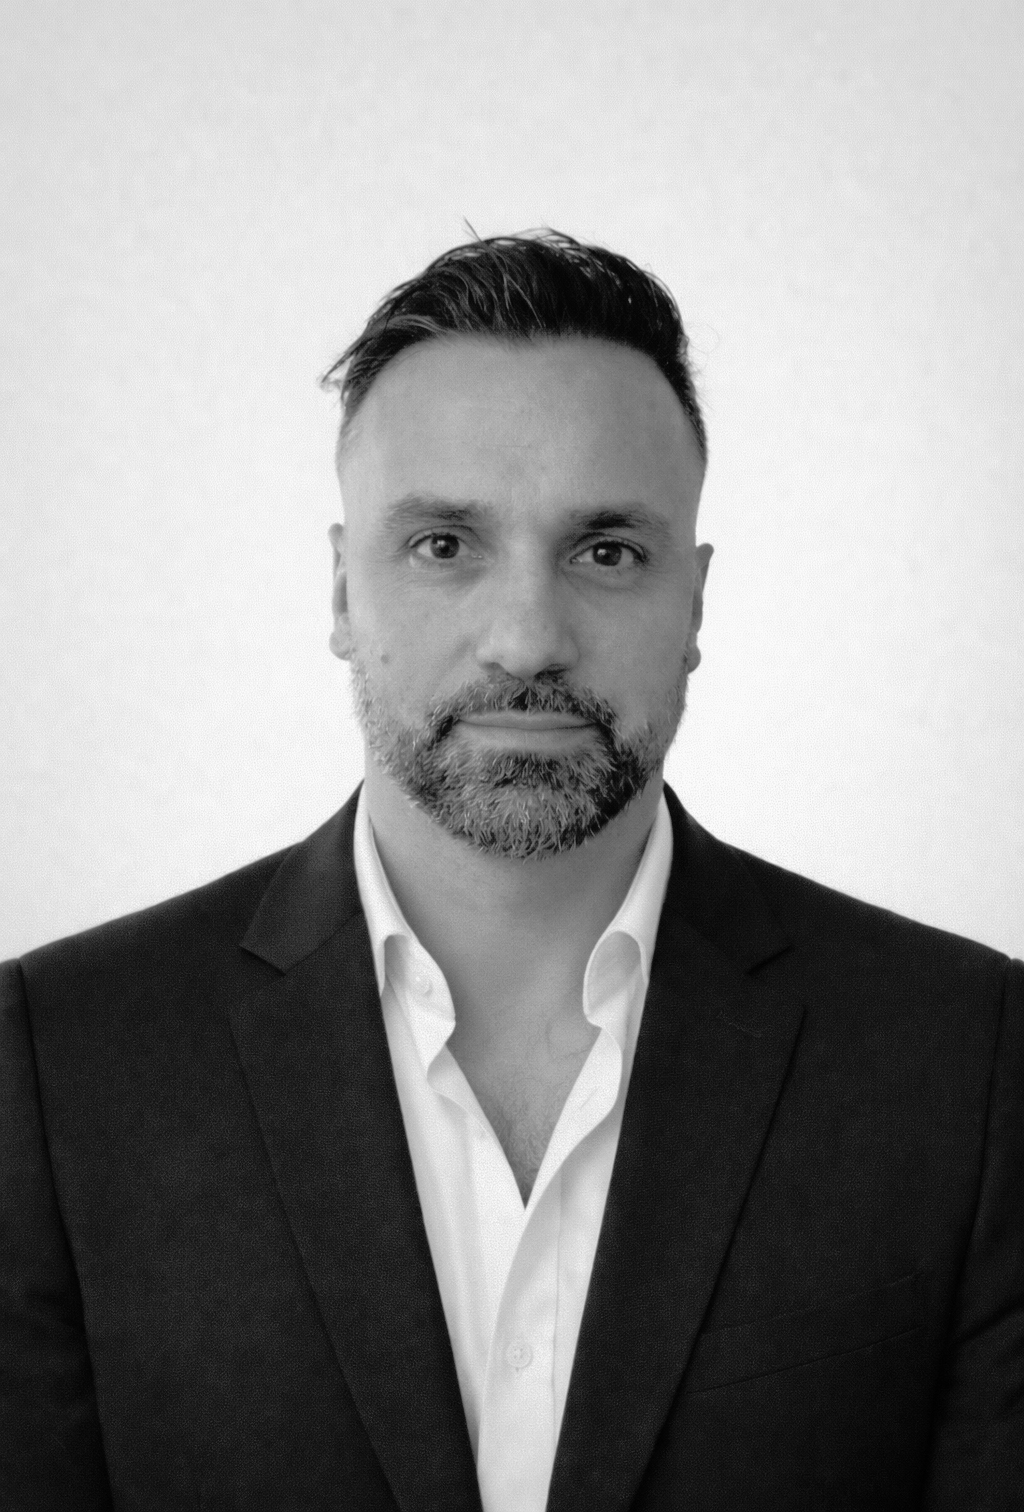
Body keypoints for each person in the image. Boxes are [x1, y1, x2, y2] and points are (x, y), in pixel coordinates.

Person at [1, 231, 1021, 1512]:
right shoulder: (58, 1063)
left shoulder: (967, 1060)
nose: (528, 639)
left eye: (607, 552)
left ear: (695, 605)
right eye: (445, 545)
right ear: (341, 591)